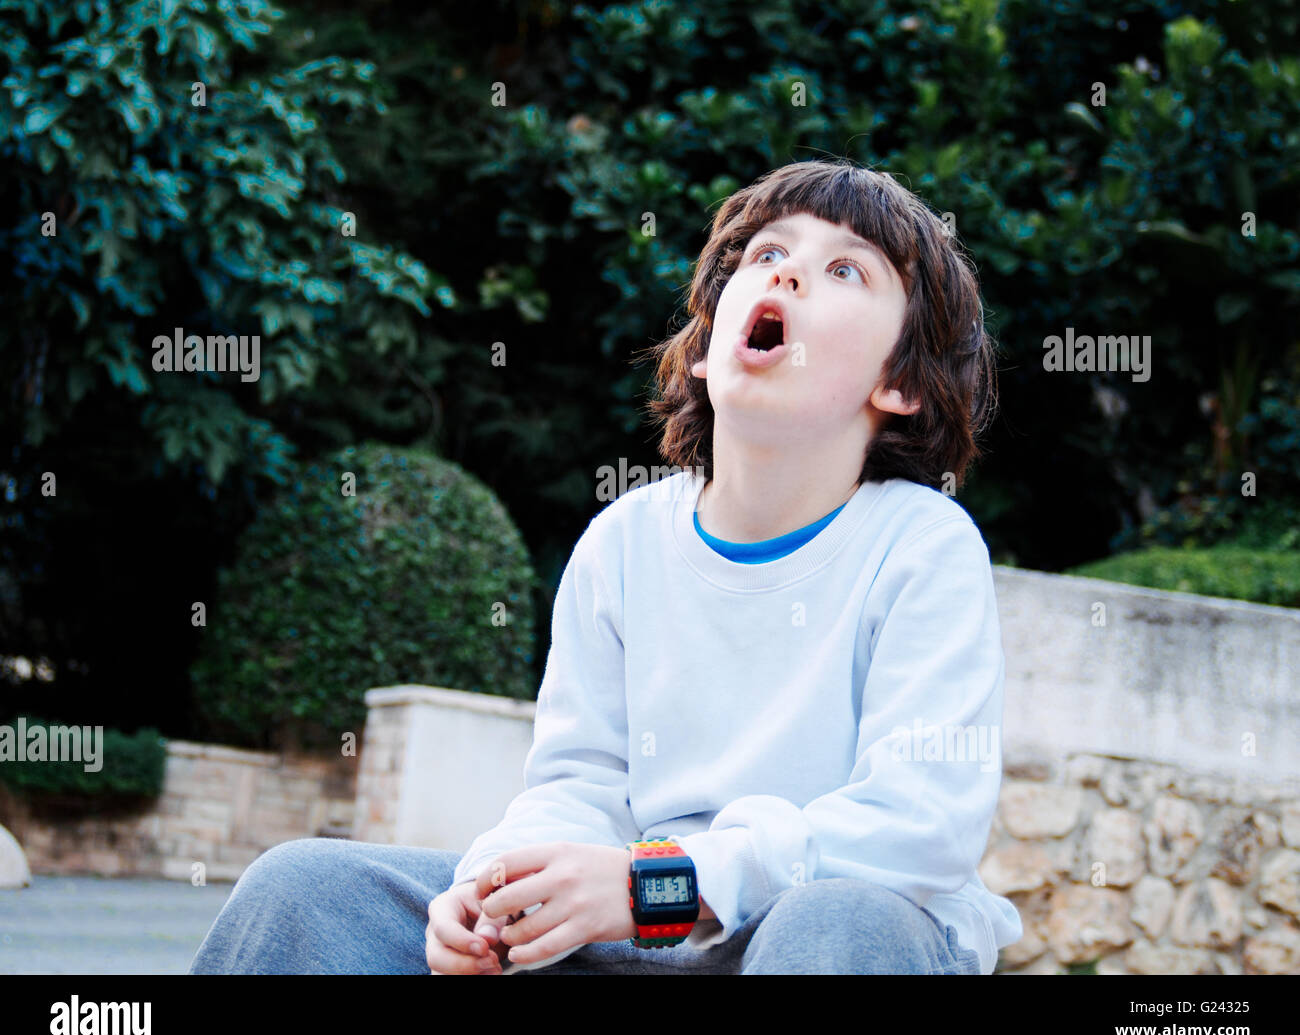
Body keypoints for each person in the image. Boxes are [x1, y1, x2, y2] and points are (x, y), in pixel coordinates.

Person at [188, 159, 1023, 975]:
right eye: (769, 254)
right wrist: (493, 888)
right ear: (704, 347)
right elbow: (577, 789)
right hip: (644, 933)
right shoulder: (622, 543)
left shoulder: (924, 545)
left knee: (838, 915)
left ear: (902, 383)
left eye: (846, 268)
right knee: (302, 887)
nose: (791, 274)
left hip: (825, 930)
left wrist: (661, 884)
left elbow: (919, 826)